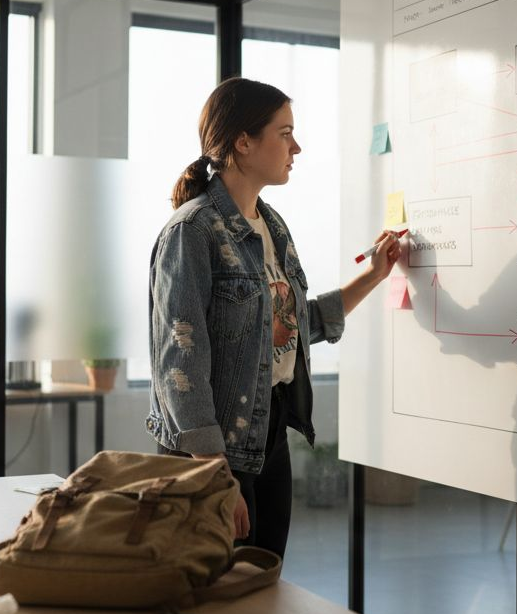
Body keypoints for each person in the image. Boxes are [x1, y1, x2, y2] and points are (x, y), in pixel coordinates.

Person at [146, 77, 401, 559]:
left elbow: (289, 324)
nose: (296, 147)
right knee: (217, 600)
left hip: (268, 435)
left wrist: (373, 275)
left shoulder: (272, 225)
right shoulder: (191, 231)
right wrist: (215, 471)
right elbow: (178, 363)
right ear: (243, 142)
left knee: (262, 587)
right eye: (284, 133)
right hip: (215, 451)